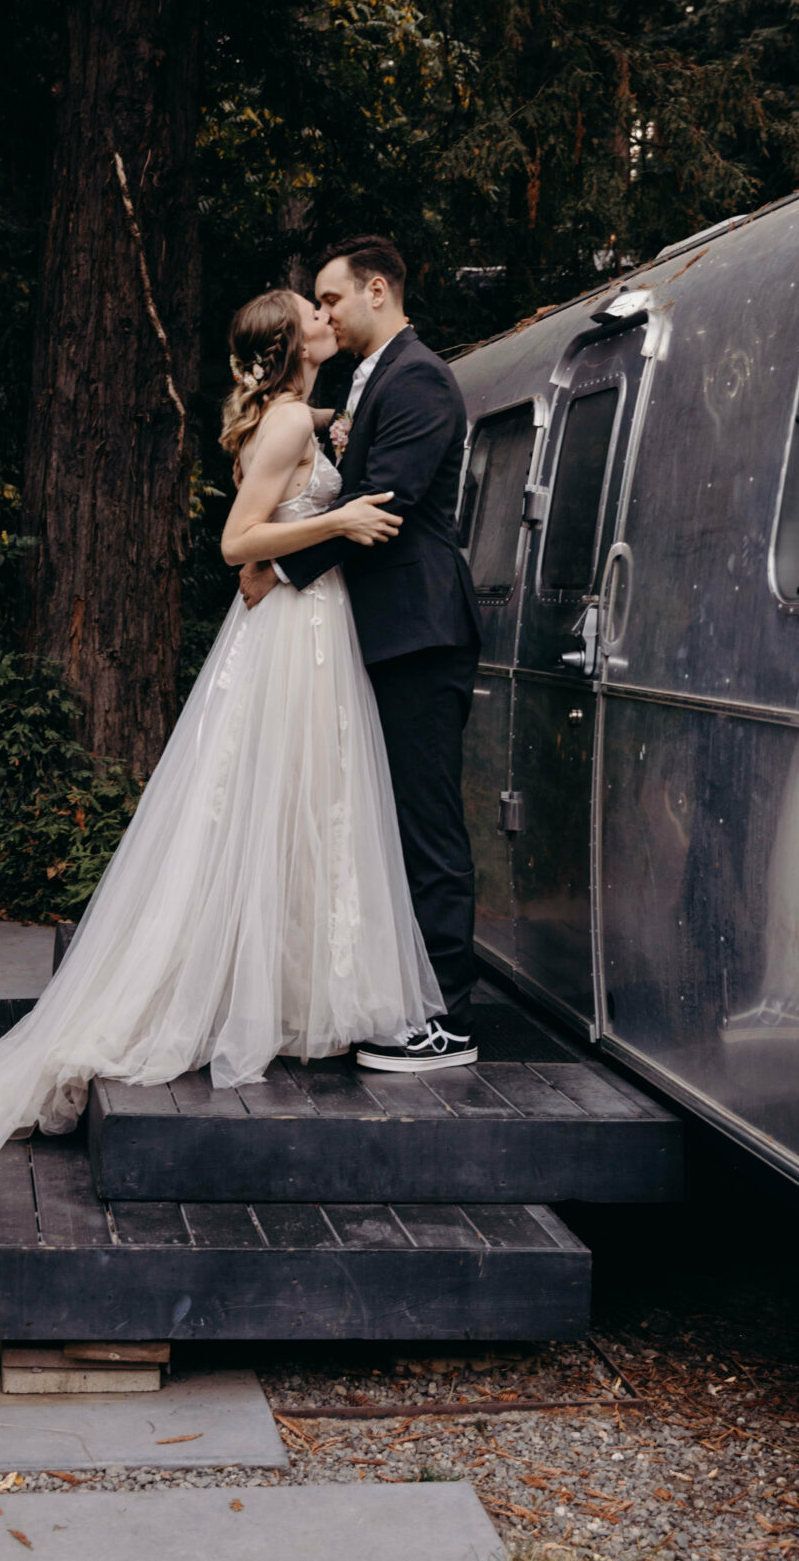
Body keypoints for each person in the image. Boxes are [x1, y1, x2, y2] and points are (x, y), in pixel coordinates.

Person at [0, 285, 442, 1152]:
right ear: (290, 340)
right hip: (293, 633)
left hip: (312, 624)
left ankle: (294, 997)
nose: (326, 316)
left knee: (306, 807)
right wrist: (341, 517)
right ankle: (252, 1000)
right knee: (285, 802)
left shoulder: (298, 416)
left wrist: (340, 439)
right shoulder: (284, 423)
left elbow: (319, 452)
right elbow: (237, 543)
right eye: (312, 311)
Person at [241, 235, 482, 1072]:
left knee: (424, 824)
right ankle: (387, 994)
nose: (325, 313)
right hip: (374, 633)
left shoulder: (418, 379)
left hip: (419, 633)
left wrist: (278, 567)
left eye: (332, 299)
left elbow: (385, 501)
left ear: (376, 290)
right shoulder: (366, 379)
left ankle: (445, 1018)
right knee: (377, 820)